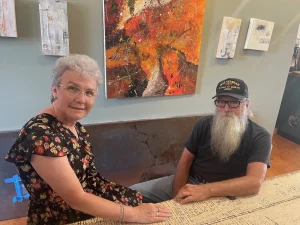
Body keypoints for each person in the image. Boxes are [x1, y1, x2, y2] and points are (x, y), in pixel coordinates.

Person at [4, 54, 171, 225]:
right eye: (73, 88)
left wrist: (129, 199)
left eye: (89, 92)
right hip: (63, 218)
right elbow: (76, 199)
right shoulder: (40, 134)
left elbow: (90, 179)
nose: (81, 99)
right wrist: (134, 214)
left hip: (86, 205)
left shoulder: (75, 127)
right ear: (55, 90)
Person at [130, 78, 272, 204]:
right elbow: (185, 161)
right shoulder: (204, 124)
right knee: (129, 193)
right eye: (221, 102)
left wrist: (206, 190)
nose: (226, 109)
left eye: (234, 102)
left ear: (246, 105)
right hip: (192, 182)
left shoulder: (261, 137)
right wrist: (176, 195)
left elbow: (254, 183)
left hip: (227, 193)